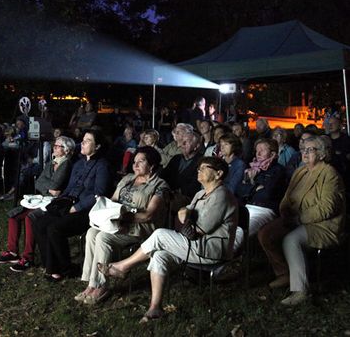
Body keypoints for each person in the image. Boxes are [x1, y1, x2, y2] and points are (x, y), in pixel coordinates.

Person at [99, 157, 237, 322]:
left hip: (211, 249)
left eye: (203, 168)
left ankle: (123, 266)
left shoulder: (221, 196)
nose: (198, 170)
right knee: (159, 256)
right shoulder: (201, 193)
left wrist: (186, 218)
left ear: (218, 174)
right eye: (198, 167)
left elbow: (199, 229)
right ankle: (155, 308)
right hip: (194, 244)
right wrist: (185, 213)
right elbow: (184, 213)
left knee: (160, 235)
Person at [258, 135, 346, 306]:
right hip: (295, 218)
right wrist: (284, 211)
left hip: (322, 225)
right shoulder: (301, 171)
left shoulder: (329, 174)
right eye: (304, 149)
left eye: (310, 150)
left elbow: (327, 208)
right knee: (265, 234)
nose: (305, 153)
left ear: (322, 154)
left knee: (291, 240)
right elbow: (287, 196)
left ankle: (300, 291)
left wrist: (299, 219)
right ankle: (285, 273)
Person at [76, 147, 170, 305]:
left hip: (139, 227)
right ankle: (91, 284)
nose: (136, 165)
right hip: (116, 221)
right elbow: (113, 199)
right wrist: (106, 208)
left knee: (103, 238)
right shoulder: (127, 178)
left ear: (152, 165)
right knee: (92, 232)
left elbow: (149, 215)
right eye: (134, 162)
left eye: (141, 161)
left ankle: (100, 286)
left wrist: (124, 216)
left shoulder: (160, 186)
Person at [31, 130, 110, 282]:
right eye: (83, 140)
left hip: (86, 211)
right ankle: (51, 266)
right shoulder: (79, 164)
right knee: (39, 222)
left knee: (54, 228)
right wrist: (60, 200)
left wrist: (78, 207)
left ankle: (66, 268)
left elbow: (99, 194)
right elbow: (69, 187)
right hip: (68, 203)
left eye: (87, 141)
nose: (83, 143)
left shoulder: (102, 166)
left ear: (97, 146)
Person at [0, 136, 75, 272]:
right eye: (55, 145)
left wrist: (49, 186)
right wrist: (49, 189)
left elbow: (56, 184)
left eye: (58, 146)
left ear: (66, 150)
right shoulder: (52, 162)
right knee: (14, 216)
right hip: (42, 198)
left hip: (54, 203)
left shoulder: (66, 164)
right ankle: (12, 252)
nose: (54, 147)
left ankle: (27, 258)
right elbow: (39, 182)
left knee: (29, 218)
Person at [235, 139, 286, 239]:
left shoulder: (278, 171)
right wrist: (256, 187)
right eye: (257, 150)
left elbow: (267, 194)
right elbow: (239, 190)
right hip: (246, 207)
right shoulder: (251, 169)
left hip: (264, 209)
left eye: (262, 150)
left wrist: (251, 183)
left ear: (272, 153)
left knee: (239, 235)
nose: (258, 153)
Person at [160, 131, 203, 212]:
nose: (182, 144)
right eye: (182, 141)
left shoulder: (201, 162)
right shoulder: (176, 158)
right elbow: (163, 175)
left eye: (187, 142)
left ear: (196, 146)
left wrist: (175, 192)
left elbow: (195, 186)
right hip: (168, 193)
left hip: (188, 198)